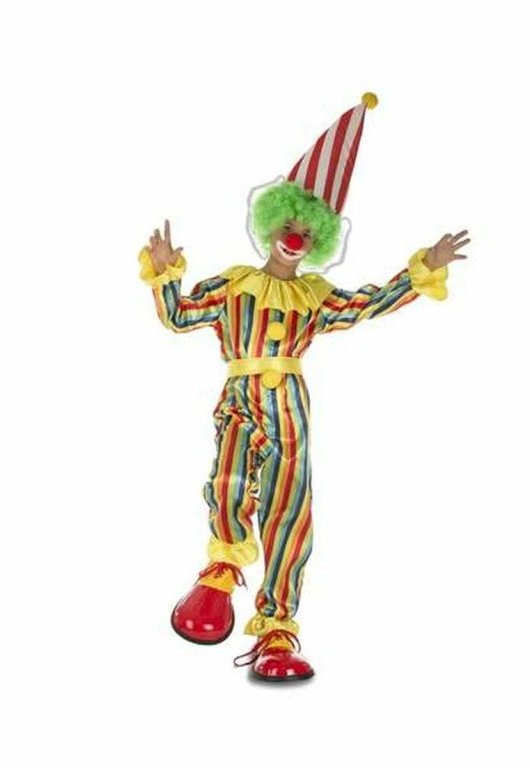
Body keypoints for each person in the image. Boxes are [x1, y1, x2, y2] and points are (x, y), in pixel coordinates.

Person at [138, 93, 469, 682]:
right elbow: (179, 316)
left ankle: (277, 630)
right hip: (239, 398)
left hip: (290, 407)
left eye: (305, 231)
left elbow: (369, 304)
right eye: (287, 225)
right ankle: (219, 576)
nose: (294, 237)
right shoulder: (234, 286)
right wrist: (166, 272)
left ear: (317, 239)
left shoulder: (314, 297)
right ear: (272, 225)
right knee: (230, 476)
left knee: (289, 507)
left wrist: (424, 267)